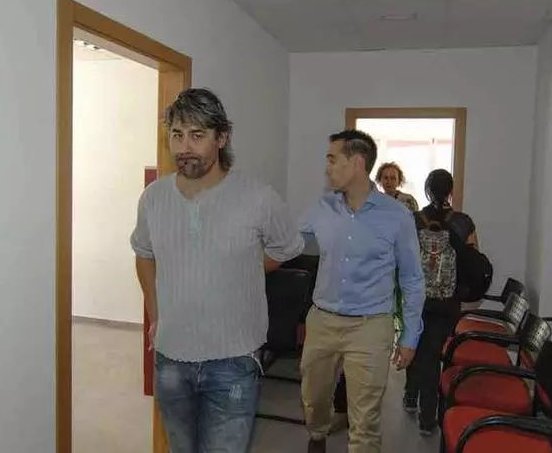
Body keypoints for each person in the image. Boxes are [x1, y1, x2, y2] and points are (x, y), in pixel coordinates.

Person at [130, 88, 305, 453]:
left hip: (233, 361)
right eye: (177, 135)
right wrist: (155, 313)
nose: (184, 147)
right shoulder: (153, 198)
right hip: (171, 358)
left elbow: (286, 247)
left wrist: (240, 267)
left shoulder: (258, 197)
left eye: (197, 135)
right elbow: (144, 253)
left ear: (222, 138)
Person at [299, 129, 425, 453]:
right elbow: (289, 243)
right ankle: (317, 435)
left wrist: (410, 336)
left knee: (365, 422)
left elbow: (412, 278)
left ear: (355, 163)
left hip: (371, 326)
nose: (327, 167)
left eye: (332, 159)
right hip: (323, 322)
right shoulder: (321, 208)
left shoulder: (397, 216)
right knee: (313, 401)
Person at [404, 169, 479, 435]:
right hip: (448, 301)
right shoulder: (463, 222)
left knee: (415, 344)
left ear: (427, 190)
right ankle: (428, 418)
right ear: (450, 191)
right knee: (432, 353)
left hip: (417, 298)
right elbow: (474, 262)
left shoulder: (414, 220)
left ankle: (410, 395)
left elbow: (403, 259)